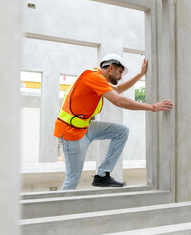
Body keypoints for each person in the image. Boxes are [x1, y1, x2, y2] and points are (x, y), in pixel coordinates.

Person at [54, 54, 174, 190]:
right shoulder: (93, 77)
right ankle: (61, 210)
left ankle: (102, 175)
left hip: (85, 127)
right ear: (111, 68)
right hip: (71, 133)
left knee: (121, 131)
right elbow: (118, 100)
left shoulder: (98, 79)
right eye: (120, 72)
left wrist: (140, 75)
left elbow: (118, 89)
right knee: (72, 179)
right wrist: (152, 107)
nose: (121, 76)